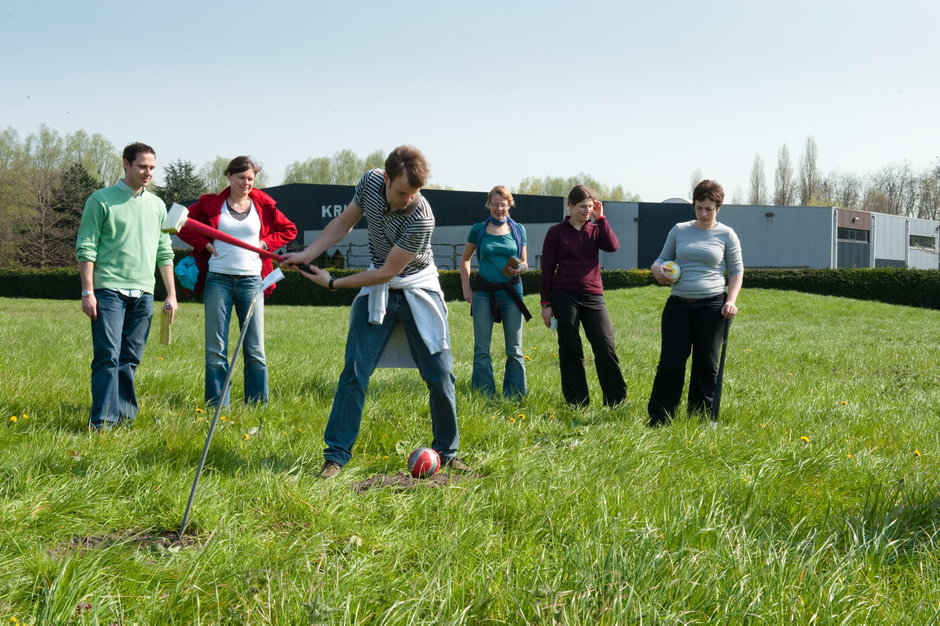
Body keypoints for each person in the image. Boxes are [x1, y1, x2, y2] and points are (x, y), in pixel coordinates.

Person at [281, 146, 465, 478]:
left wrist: (334, 283)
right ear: (387, 177)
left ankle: (448, 452)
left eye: (415, 192)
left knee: (440, 375)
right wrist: (307, 253)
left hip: (416, 288)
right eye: (402, 191)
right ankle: (335, 456)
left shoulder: (421, 216)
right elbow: (343, 222)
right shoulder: (369, 183)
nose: (409, 198)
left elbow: (387, 273)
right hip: (379, 288)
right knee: (354, 371)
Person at [177, 156, 297, 407]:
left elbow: (289, 230)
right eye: (241, 177)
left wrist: (265, 244)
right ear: (229, 176)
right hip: (217, 280)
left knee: (255, 349)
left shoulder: (263, 205)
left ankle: (257, 405)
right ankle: (217, 405)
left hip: (252, 282)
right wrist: (204, 244)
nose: (246, 182)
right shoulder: (210, 204)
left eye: (251, 178)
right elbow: (181, 224)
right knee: (215, 350)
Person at [76, 142, 179, 430]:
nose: (148, 173)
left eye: (152, 168)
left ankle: (124, 417)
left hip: (143, 293)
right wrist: (88, 292)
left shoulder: (158, 205)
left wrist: (170, 293)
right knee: (107, 356)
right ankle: (102, 422)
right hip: (108, 290)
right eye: (142, 166)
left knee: (129, 358)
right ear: (126, 164)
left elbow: (164, 251)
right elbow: (86, 247)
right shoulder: (100, 200)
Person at [647, 179, 743, 427]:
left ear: (718, 208)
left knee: (706, 363)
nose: (703, 213)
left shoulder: (727, 234)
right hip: (678, 305)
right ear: (694, 205)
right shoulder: (679, 230)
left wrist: (730, 300)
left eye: (708, 208)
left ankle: (700, 418)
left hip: (712, 307)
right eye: (699, 207)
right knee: (671, 362)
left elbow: (736, 271)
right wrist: (657, 270)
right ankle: (660, 417)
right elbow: (659, 260)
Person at [540, 185, 627, 407]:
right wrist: (546, 303)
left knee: (605, 344)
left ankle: (615, 399)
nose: (587, 211)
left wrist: (602, 218)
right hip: (564, 295)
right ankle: (577, 400)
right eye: (582, 206)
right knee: (570, 348)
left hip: (593, 295)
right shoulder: (556, 232)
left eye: (590, 206)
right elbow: (547, 268)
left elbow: (613, 246)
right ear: (570, 205)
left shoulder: (596, 229)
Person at [459, 186, 531, 398]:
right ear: (489, 204)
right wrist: (466, 287)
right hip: (483, 293)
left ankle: (516, 395)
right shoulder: (478, 229)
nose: (499, 208)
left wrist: (520, 268)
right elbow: (465, 260)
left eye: (503, 204)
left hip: (512, 293)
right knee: (482, 348)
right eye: (495, 204)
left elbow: (526, 262)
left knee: (515, 349)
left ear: (510, 205)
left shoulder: (519, 230)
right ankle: (484, 394)